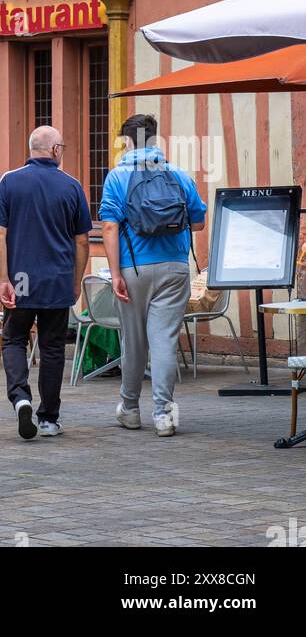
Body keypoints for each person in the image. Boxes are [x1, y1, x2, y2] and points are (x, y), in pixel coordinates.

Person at [99, 112, 207, 438]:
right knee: (165, 341)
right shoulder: (178, 174)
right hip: (174, 267)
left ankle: (130, 409)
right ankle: (164, 415)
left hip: (134, 269)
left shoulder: (117, 177)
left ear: (128, 141)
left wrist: (115, 272)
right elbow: (198, 222)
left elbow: (108, 226)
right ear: (155, 138)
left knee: (133, 342)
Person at [0, 126, 92, 440]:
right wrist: (76, 282)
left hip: (20, 279)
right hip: (57, 279)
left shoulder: (9, 181)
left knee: (14, 339)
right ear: (55, 150)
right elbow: (82, 241)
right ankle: (48, 418)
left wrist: (4, 279)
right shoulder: (72, 186)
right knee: (51, 348)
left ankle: (20, 397)